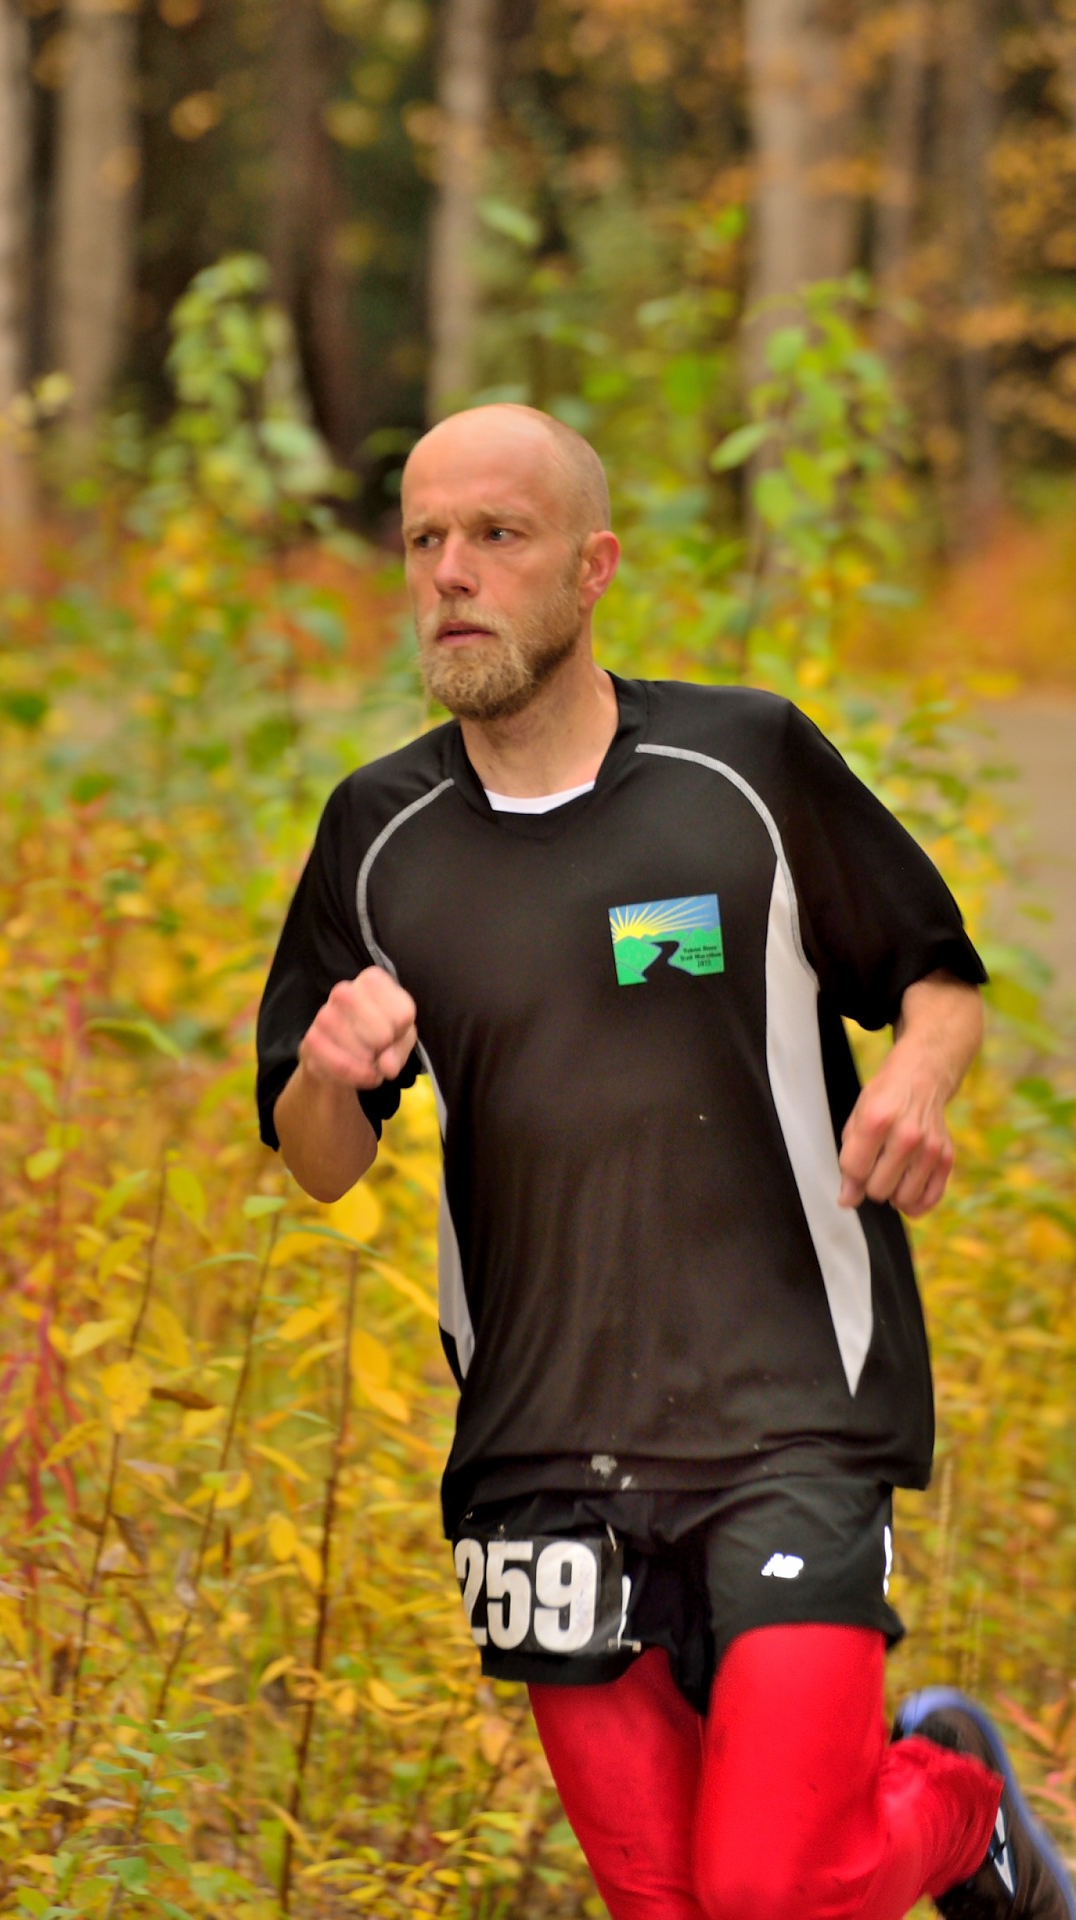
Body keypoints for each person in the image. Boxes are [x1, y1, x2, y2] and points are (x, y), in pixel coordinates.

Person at [255, 402, 1075, 1920]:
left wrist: (916, 1076)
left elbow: (937, 977)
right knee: (668, 1903)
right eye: (424, 540)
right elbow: (318, 1163)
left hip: (788, 1404)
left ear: (593, 566)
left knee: (768, 1889)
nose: (450, 572)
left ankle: (958, 1813)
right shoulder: (375, 831)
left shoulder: (742, 762)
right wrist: (326, 1068)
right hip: (536, 1436)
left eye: (496, 535)